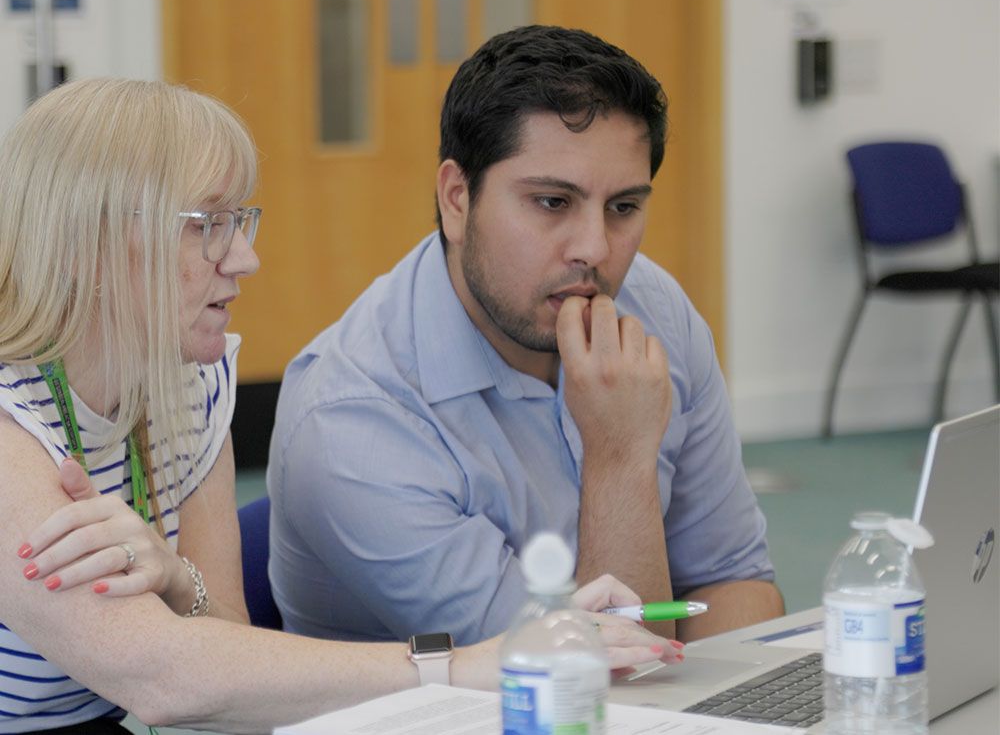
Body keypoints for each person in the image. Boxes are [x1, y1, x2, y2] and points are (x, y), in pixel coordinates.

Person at [1, 78, 680, 734]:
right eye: (208, 224)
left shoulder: (186, 385)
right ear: (87, 243)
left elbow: (228, 678)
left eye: (241, 221)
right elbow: (165, 681)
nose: (244, 258)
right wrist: (471, 665)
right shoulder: (10, 422)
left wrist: (180, 581)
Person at [267, 24, 785, 648]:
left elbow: (737, 583)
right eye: (551, 202)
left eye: (623, 207)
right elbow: (583, 678)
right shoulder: (353, 421)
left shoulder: (655, 309)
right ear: (457, 199)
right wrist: (619, 455)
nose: (595, 250)